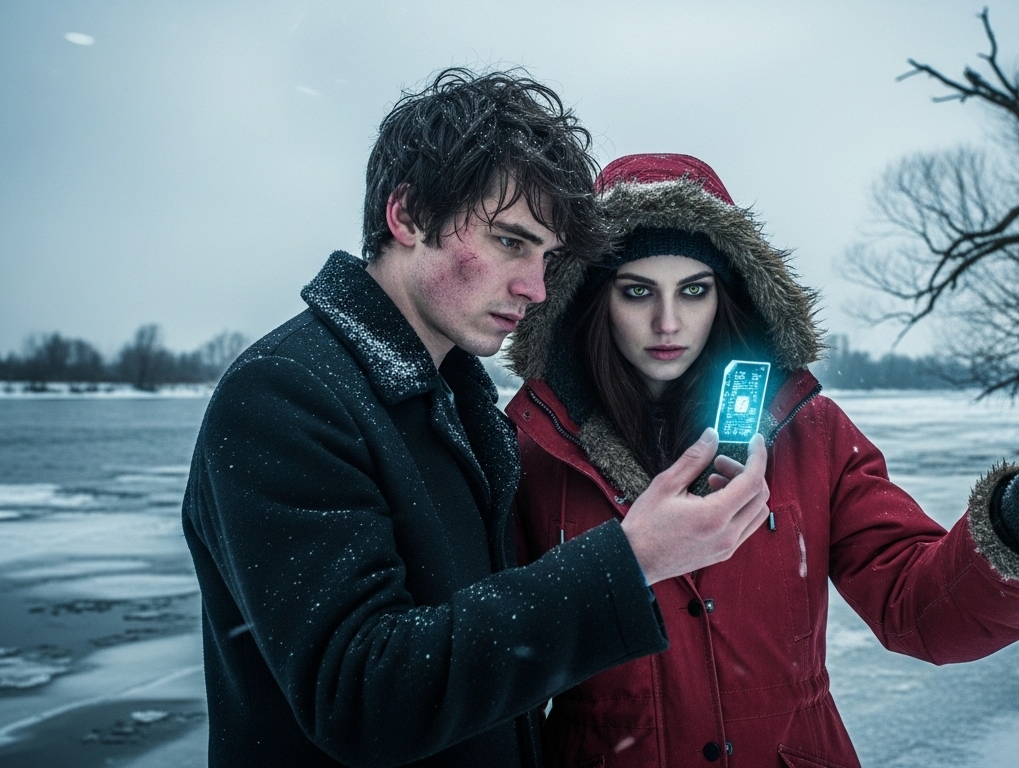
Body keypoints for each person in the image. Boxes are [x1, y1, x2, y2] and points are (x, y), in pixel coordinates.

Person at [182, 75, 773, 767]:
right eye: (509, 242)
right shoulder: (286, 395)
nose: (537, 287)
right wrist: (632, 559)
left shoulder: (459, 406)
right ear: (406, 215)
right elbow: (364, 696)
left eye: (547, 257)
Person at [504, 153, 1019, 767]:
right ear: (593, 297)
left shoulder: (809, 432)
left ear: (731, 295)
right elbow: (491, 657)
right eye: (638, 291)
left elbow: (918, 607)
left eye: (694, 290)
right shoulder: (533, 447)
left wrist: (1016, 541)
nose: (668, 322)